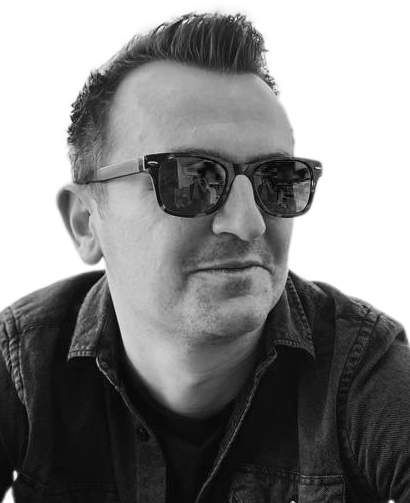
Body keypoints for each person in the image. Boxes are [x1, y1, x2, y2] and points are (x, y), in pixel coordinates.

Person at [0, 12, 409, 503]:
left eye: (278, 180)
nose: (249, 223)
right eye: (191, 179)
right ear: (86, 223)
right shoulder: (23, 366)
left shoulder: (361, 368)